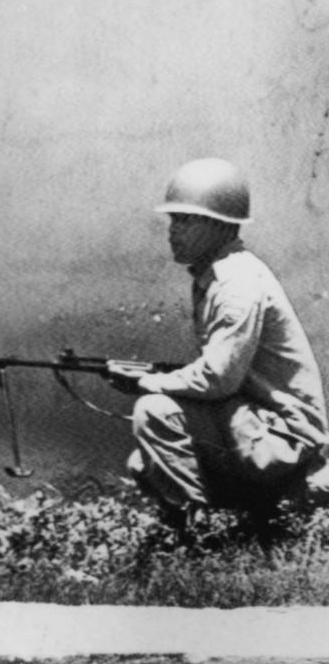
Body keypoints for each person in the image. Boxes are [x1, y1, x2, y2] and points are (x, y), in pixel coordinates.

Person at [108, 158, 328, 528]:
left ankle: (198, 535)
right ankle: (260, 516)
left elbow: (218, 379)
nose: (173, 232)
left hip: (287, 440)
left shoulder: (236, 284)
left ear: (220, 225)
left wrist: (149, 382)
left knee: (155, 411)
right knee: (144, 463)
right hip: (258, 427)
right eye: (173, 220)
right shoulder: (217, 276)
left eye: (186, 220)